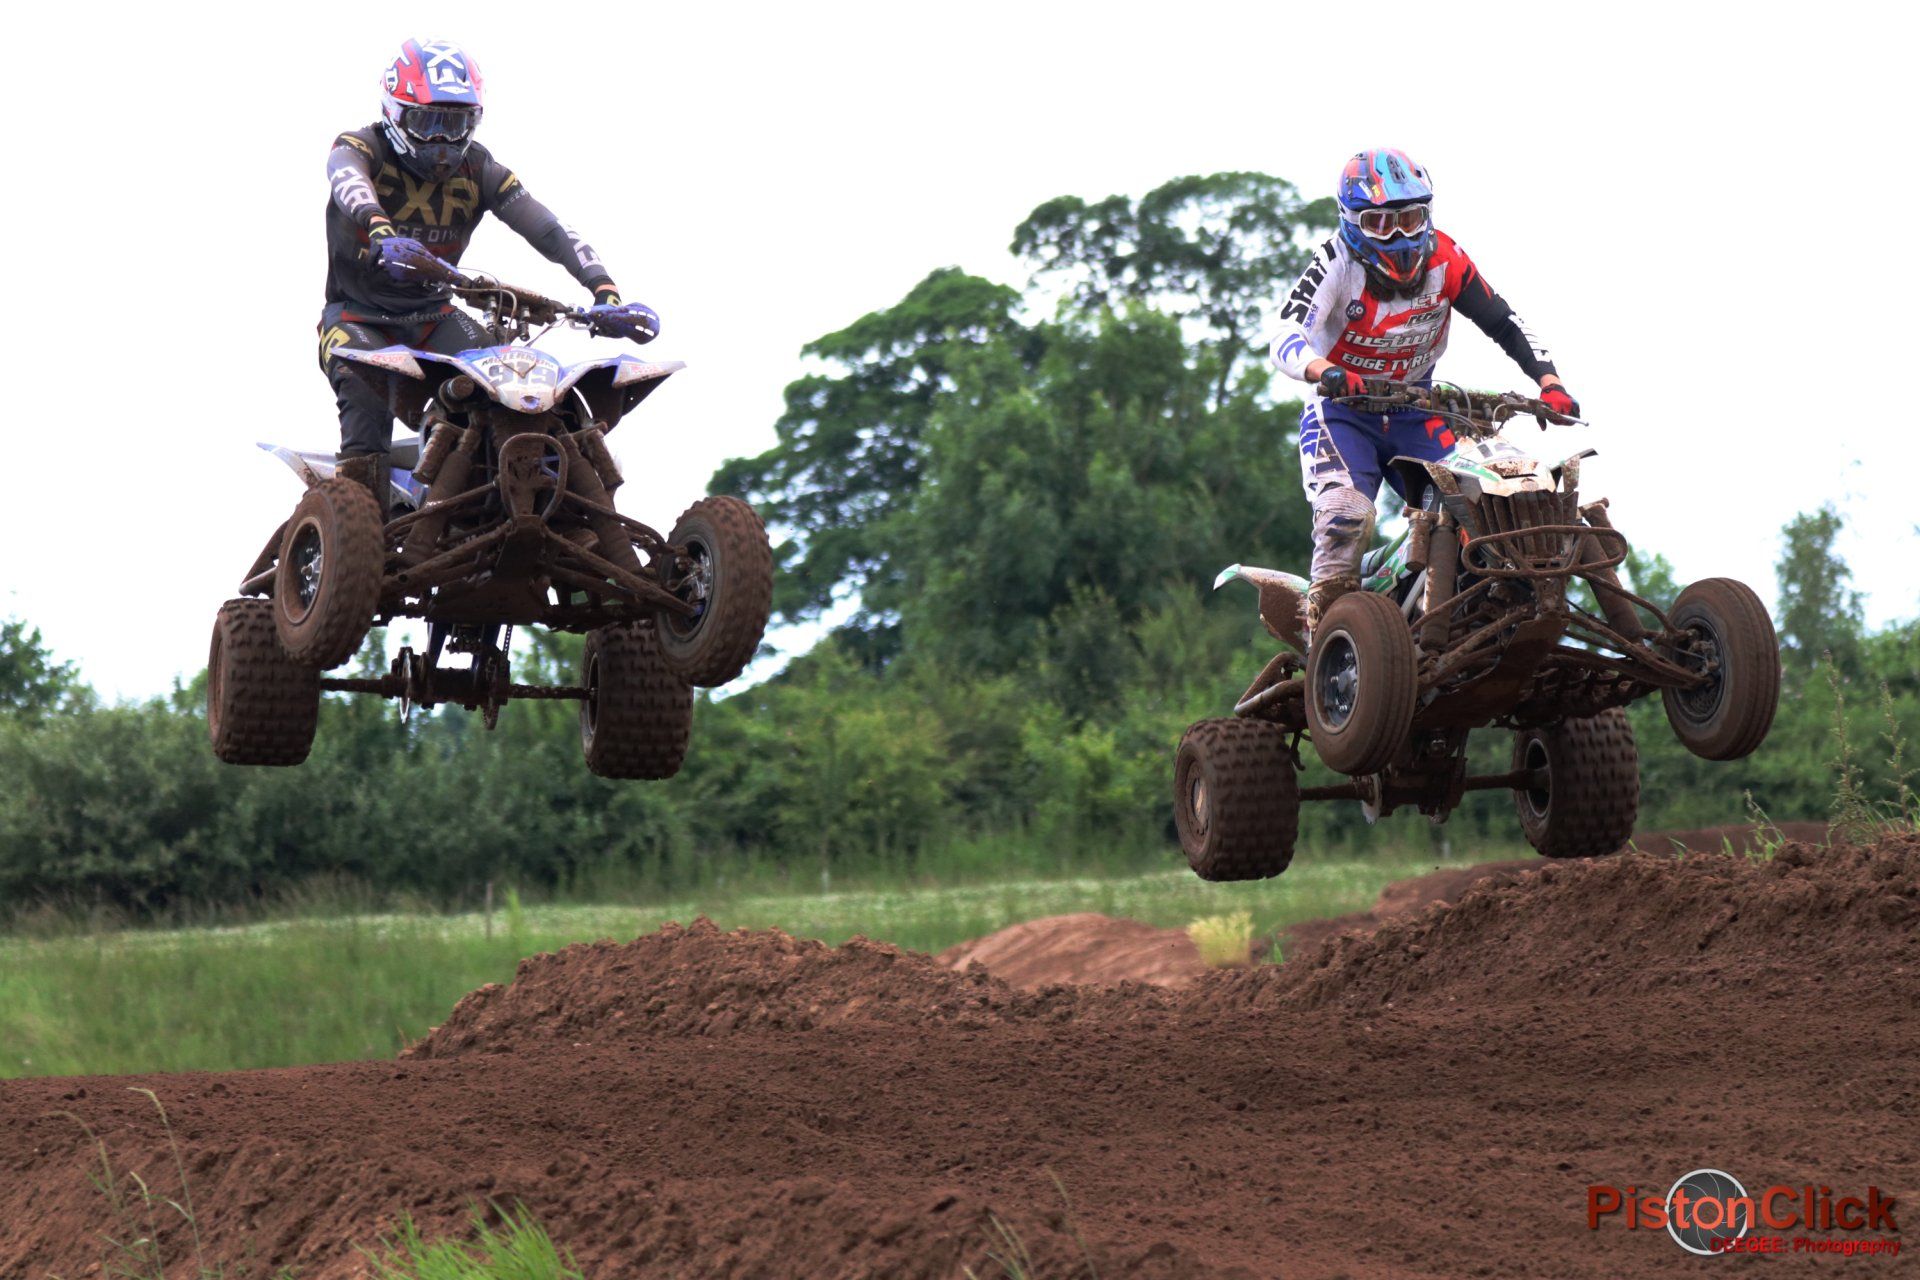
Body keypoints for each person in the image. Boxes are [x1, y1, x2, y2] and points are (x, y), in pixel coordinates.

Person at [319, 38, 656, 514]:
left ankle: (538, 501)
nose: (443, 141)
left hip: (435, 317)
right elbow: (346, 177)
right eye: (429, 122)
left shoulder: (482, 169)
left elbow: (547, 228)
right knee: (363, 390)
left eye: (455, 124)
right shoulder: (361, 146)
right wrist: (379, 228)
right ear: (395, 113)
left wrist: (605, 290)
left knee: (509, 385)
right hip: (356, 318)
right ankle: (359, 523)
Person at [1268, 147, 1578, 634]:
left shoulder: (1446, 258)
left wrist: (1549, 381)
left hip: (1418, 410)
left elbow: (1503, 321)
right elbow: (1285, 334)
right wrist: (1323, 371)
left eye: (1409, 219)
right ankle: (1326, 629)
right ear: (1352, 222)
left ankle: (1488, 606)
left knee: (1488, 499)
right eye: (1380, 224)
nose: (1399, 236)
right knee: (1347, 515)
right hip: (1343, 413)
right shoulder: (1334, 262)